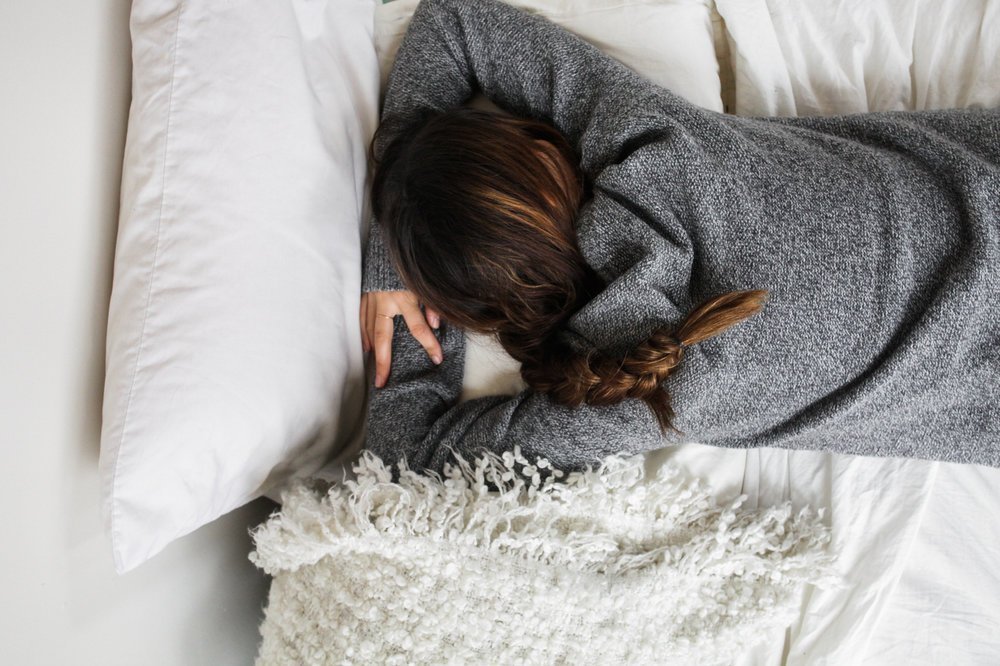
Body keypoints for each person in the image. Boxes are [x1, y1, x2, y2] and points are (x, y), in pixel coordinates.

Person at [359, 0, 1000, 474]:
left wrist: (403, 277)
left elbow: (400, 461)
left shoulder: (621, 392)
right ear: (540, 149)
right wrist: (396, 239)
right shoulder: (652, 146)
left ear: (478, 311)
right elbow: (456, 26)